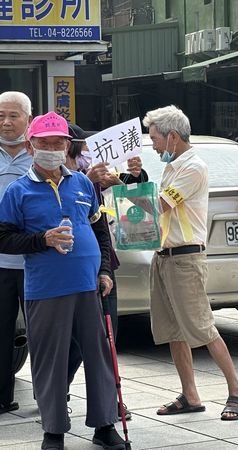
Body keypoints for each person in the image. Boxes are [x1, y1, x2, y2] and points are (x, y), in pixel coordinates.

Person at [0, 111, 125, 450]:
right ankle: (54, 430)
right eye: (45, 143)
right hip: (46, 288)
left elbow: (98, 227)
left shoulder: (83, 183)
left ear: (68, 146)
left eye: (59, 143)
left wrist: (104, 271)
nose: (52, 148)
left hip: (88, 285)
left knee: (98, 357)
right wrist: (43, 240)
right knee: (50, 361)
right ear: (31, 145)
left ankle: (104, 426)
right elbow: (4, 238)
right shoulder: (18, 191)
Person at [142, 105, 238, 420]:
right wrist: (132, 178)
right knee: (173, 330)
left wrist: (117, 187)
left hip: (185, 258)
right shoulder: (173, 165)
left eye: (155, 139)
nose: (154, 145)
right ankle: (190, 395)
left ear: (172, 136)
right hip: (164, 256)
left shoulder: (193, 167)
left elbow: (159, 205)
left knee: (202, 327)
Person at [64, 123, 147, 421]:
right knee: (72, 340)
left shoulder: (93, 168)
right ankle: (58, 391)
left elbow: (133, 196)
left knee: (107, 335)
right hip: (66, 269)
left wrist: (134, 176)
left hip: (102, 263)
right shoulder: (51, 176)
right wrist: (87, 180)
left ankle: (110, 403)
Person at [0, 91, 32, 416]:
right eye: (0, 116)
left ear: (28, 119)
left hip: (35, 261)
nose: (6, 122)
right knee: (2, 331)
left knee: (43, 333)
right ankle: (2, 397)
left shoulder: (42, 155)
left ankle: (54, 394)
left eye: (13, 115)